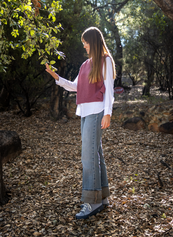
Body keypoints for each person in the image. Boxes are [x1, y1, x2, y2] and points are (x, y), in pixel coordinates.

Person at [45, 26, 116, 219]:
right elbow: (76, 86)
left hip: (97, 111)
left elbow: (109, 88)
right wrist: (56, 77)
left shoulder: (105, 61)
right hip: (85, 112)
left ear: (93, 41)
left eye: (85, 41)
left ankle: (91, 202)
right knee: (96, 154)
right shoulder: (85, 65)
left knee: (88, 157)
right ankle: (101, 197)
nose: (84, 45)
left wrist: (107, 113)